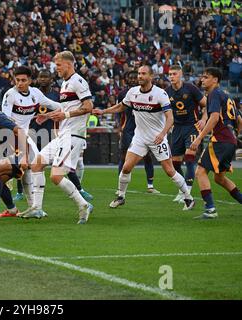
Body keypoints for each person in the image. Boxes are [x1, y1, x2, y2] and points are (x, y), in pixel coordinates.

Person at [93, 65, 195, 211]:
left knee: (169, 170)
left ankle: (188, 198)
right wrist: (103, 111)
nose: (140, 76)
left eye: (143, 74)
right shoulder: (132, 92)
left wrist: (163, 133)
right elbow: (121, 107)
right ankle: (121, 196)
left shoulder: (160, 94)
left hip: (156, 138)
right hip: (139, 137)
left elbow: (170, 117)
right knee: (126, 167)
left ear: (151, 77)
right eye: (139, 73)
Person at [21, 51, 94, 224]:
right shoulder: (65, 84)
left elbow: (89, 107)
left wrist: (66, 115)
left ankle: (83, 205)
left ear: (68, 64)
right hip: (63, 135)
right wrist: (47, 116)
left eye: (58, 65)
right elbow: (64, 108)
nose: (56, 69)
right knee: (37, 163)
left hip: (73, 136)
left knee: (56, 176)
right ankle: (37, 208)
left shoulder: (78, 81)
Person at [0, 66, 62, 213]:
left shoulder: (35, 93)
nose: (20, 83)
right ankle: (2, 203)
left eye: (23, 80)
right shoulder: (10, 95)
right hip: (13, 136)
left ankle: (33, 207)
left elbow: (54, 105)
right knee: (16, 171)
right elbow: (5, 119)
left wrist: (71, 108)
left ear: (30, 80)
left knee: (33, 168)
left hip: (26, 136)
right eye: (17, 80)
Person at [190, 67, 242, 219]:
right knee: (219, 178)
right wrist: (236, 135)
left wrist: (199, 138)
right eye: (202, 77)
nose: (202, 80)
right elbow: (239, 120)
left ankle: (210, 209)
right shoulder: (227, 96)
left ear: (215, 80)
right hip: (229, 141)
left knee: (200, 171)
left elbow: (213, 118)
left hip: (220, 140)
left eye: (206, 77)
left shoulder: (213, 94)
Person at [166, 65, 207, 202]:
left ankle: (187, 192)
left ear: (180, 74)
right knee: (175, 162)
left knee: (189, 158)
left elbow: (206, 104)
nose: (171, 76)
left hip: (192, 126)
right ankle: (182, 189)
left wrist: (204, 118)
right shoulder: (167, 92)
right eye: (170, 74)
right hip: (177, 128)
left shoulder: (190, 88)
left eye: (174, 74)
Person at [116, 70, 159, 194]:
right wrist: (119, 126)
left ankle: (150, 185)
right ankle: (120, 188)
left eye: (136, 77)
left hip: (144, 129)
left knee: (147, 157)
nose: (134, 79)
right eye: (132, 77)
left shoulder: (149, 93)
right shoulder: (124, 93)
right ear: (127, 79)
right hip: (128, 128)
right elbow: (119, 110)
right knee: (124, 157)